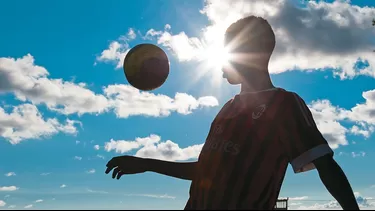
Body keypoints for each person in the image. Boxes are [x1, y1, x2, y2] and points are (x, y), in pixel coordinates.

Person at [105, 16, 359, 210]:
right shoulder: (228, 109)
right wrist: (145, 164)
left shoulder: (284, 104)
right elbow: (206, 171)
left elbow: (327, 166)